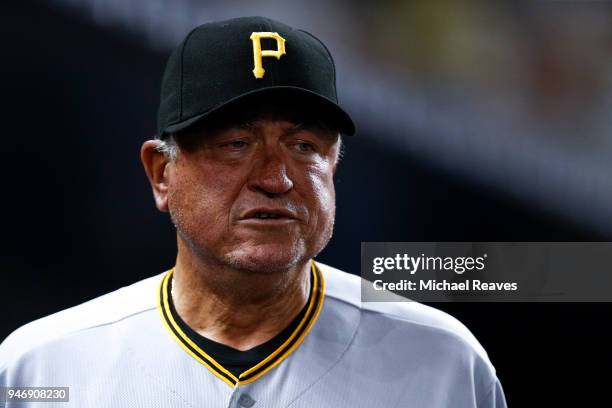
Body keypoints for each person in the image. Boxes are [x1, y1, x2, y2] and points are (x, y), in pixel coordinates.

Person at [0, 16, 506, 407]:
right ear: (161, 173)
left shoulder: (443, 361)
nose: (276, 178)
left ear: (334, 167)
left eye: (305, 146)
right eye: (236, 143)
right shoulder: (41, 368)